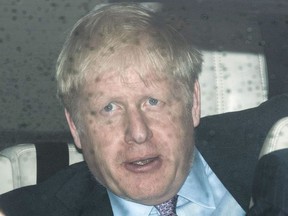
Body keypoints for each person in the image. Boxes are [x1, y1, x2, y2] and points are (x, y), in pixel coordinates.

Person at [0, 3, 245, 215]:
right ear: (76, 126)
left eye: (152, 101)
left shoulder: (269, 145)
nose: (138, 133)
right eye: (109, 108)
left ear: (193, 102)